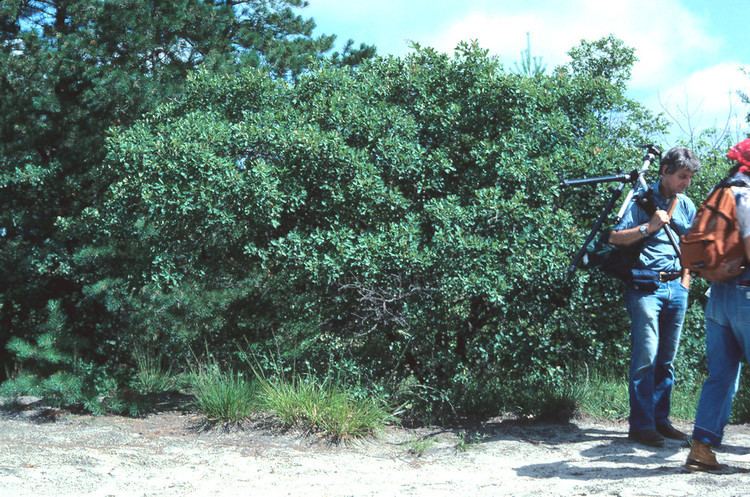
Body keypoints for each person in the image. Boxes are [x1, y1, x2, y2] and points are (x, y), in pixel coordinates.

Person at [609, 147, 700, 447]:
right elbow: (615, 238)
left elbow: (692, 243)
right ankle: (642, 426)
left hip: (677, 288)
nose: (686, 182)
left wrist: (686, 281)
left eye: (689, 177)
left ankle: (661, 421)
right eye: (681, 176)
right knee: (645, 357)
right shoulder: (641, 201)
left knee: (666, 360)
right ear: (665, 172)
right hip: (646, 288)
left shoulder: (686, 204)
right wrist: (650, 227)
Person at [685, 138, 750, 471]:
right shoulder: (748, 196)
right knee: (724, 377)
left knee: (720, 377)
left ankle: (702, 448)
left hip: (718, 296)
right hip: (746, 296)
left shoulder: (723, 190)